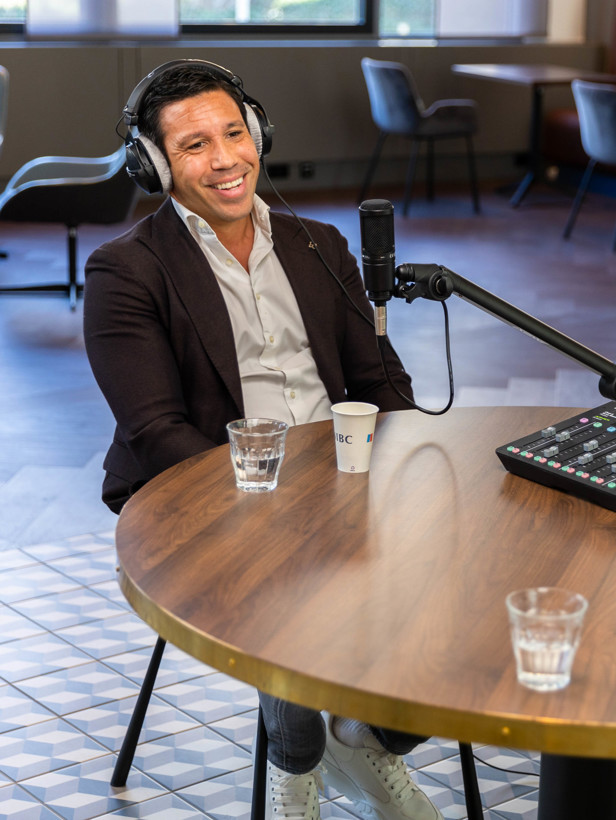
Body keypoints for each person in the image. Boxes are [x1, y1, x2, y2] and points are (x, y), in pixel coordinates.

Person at [84, 59, 443, 820]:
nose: (224, 160)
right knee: (283, 575)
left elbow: (384, 384)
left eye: (234, 133)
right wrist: (276, 504)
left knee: (462, 564)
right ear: (154, 165)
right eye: (191, 146)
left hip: (338, 479)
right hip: (208, 488)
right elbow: (154, 431)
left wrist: (406, 480)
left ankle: (363, 733)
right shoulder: (126, 271)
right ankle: (297, 760)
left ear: (259, 134)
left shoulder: (320, 245)